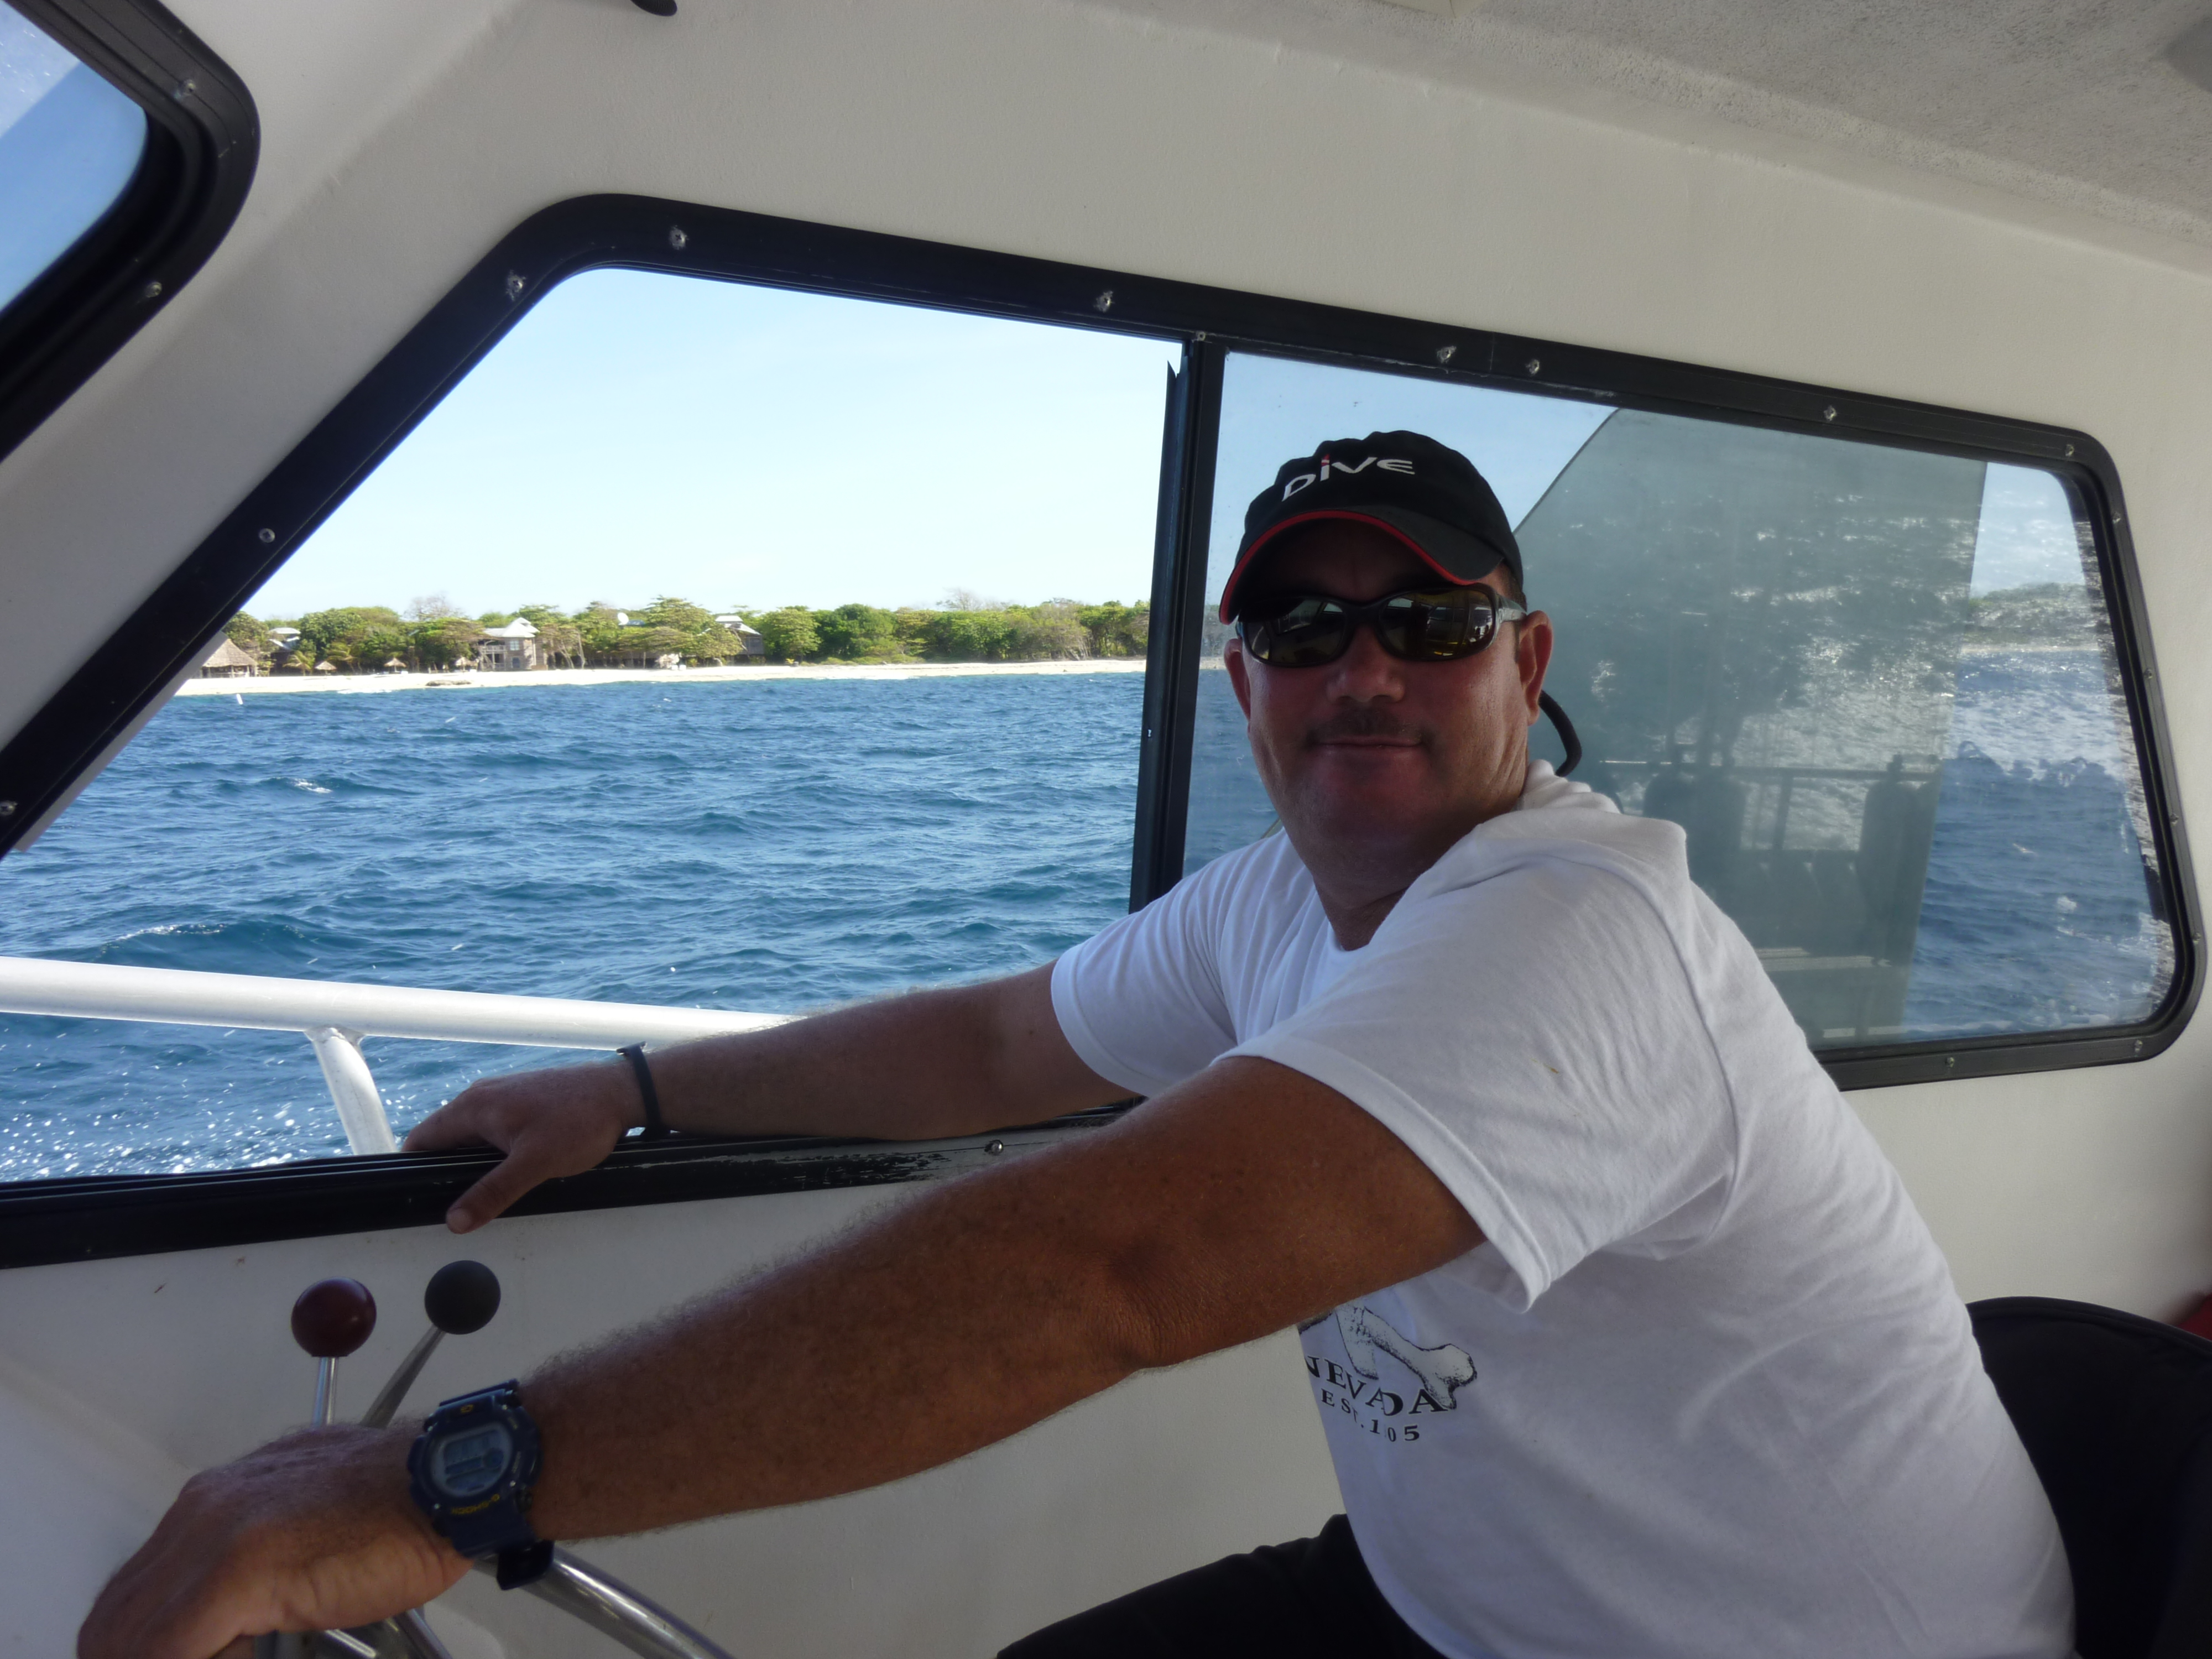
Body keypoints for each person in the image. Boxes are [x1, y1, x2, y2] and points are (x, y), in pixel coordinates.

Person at [80, 433, 2072, 1659]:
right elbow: (995, 1041)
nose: (1363, 669)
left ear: (1523, 661)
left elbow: (1108, 1267)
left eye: (1429, 619)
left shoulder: (1583, 931)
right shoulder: (1276, 903)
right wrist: (638, 1090)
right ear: (1242, 682)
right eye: (1301, 632)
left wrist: (434, 1484)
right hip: (1466, 1617)